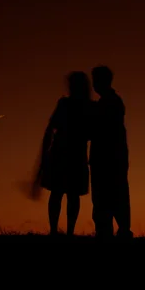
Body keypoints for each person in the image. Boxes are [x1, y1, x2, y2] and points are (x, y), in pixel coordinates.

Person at [36, 71, 95, 236]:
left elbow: (51, 128)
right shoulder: (82, 105)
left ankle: (60, 231)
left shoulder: (69, 104)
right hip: (69, 154)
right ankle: (62, 231)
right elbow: (51, 129)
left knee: (64, 193)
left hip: (67, 153)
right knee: (65, 194)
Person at [89, 65, 133, 239]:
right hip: (113, 157)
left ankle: (109, 232)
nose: (94, 85)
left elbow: (100, 130)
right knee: (116, 194)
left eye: (96, 80)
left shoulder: (110, 103)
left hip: (107, 157)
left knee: (108, 195)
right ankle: (115, 230)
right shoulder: (111, 101)